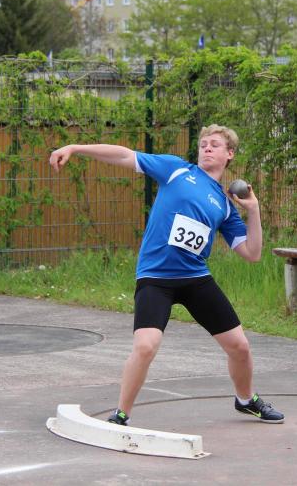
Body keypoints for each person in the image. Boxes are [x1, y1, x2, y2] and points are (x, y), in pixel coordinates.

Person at [49, 124, 284, 425]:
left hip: (195, 279)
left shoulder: (225, 205)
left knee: (240, 346)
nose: (207, 148)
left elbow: (252, 253)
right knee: (145, 345)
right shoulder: (176, 170)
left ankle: (246, 399)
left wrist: (253, 210)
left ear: (230, 154)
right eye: (203, 144)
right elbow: (124, 155)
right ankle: (122, 414)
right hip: (156, 277)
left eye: (214, 144)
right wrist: (75, 148)